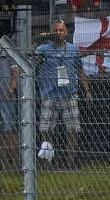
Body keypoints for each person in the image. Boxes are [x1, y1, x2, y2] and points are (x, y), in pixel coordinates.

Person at [34, 20, 86, 166]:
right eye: (55, 30)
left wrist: (87, 90)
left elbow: (80, 70)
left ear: (66, 32)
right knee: (46, 130)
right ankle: (47, 160)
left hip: (69, 94)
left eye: (61, 30)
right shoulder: (44, 48)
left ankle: (69, 162)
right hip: (49, 94)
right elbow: (31, 58)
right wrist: (40, 40)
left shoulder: (73, 49)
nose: (58, 33)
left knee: (74, 129)